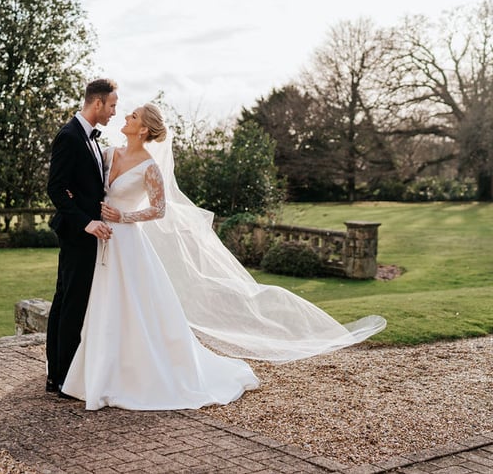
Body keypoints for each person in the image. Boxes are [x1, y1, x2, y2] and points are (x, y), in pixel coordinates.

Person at [60, 103, 386, 410]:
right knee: (102, 302)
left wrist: (125, 216)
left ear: (143, 129)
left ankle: (135, 373)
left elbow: (159, 210)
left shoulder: (149, 168)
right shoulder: (108, 153)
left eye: (132, 116)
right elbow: (87, 183)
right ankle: (96, 369)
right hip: (102, 239)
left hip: (128, 241)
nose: (125, 118)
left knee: (132, 305)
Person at [45, 78, 118, 395]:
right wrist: (86, 222)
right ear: (97, 103)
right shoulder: (69, 136)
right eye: (112, 105)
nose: (114, 111)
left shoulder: (91, 138)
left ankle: (57, 375)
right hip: (77, 233)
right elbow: (55, 188)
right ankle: (64, 379)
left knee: (67, 300)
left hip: (85, 231)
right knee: (71, 304)